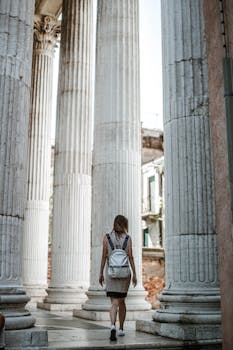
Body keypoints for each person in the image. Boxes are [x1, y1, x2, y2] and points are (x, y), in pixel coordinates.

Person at [99, 215, 137, 341]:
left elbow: (104, 256)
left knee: (114, 303)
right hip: (125, 273)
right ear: (125, 224)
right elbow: (131, 257)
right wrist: (135, 274)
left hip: (111, 273)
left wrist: (100, 273)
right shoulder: (128, 238)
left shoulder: (106, 237)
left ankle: (112, 326)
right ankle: (121, 328)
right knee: (122, 302)